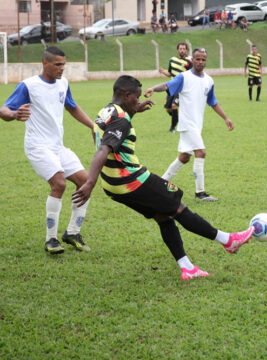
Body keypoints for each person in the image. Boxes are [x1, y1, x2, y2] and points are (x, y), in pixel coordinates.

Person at [72, 75, 255, 280]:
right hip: (131, 180)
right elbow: (104, 149)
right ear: (126, 95)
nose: (138, 102)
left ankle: (187, 268)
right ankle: (228, 240)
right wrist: (89, 182)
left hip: (113, 186)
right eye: (136, 98)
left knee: (163, 215)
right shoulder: (121, 119)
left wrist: (135, 111)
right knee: (177, 205)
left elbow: (104, 136)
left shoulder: (105, 112)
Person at [0, 46, 94, 254]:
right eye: (57, 64)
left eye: (64, 65)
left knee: (85, 181)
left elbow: (71, 106)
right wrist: (14, 115)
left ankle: (72, 233)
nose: (62, 69)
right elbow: (4, 110)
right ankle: (50, 239)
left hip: (57, 146)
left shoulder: (63, 83)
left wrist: (92, 126)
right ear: (45, 63)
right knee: (59, 183)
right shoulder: (28, 86)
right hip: (37, 146)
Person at [145, 48, 233, 202]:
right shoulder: (183, 78)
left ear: (206, 61)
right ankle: (200, 193)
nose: (200, 62)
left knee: (184, 157)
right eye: (197, 59)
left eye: (203, 59)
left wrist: (225, 118)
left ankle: (159, 184)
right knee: (201, 152)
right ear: (192, 60)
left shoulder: (209, 81)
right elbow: (167, 86)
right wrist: (153, 88)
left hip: (196, 125)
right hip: (187, 124)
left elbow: (212, 102)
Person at [158, 42, 193, 133]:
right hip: (171, 87)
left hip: (181, 88)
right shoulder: (172, 60)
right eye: (180, 48)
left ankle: (172, 128)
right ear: (178, 50)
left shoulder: (189, 62)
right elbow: (170, 74)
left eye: (184, 49)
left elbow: (192, 75)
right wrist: (162, 71)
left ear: (187, 51)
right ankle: (180, 118)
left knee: (174, 106)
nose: (182, 50)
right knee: (168, 109)